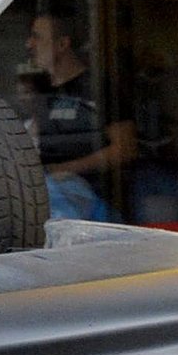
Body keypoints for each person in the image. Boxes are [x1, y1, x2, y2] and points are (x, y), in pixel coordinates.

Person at [24, 13, 133, 222]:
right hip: (50, 202)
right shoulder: (43, 94)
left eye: (37, 37)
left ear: (63, 44)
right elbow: (30, 141)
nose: (29, 44)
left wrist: (65, 170)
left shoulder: (99, 88)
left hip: (95, 206)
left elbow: (125, 148)